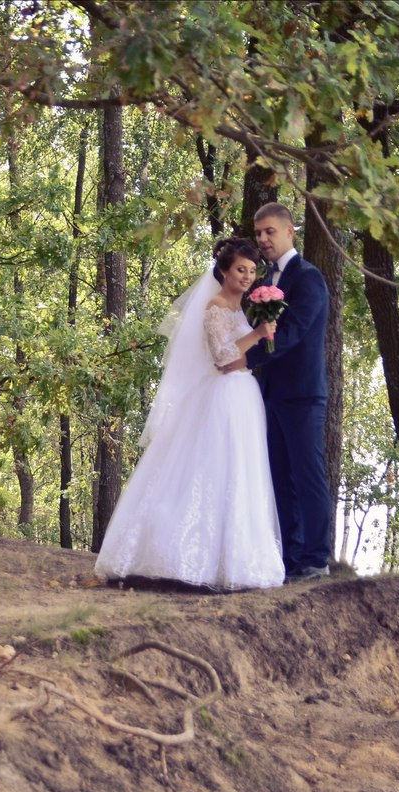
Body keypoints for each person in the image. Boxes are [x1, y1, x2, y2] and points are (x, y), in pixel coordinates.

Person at [94, 237, 284, 591]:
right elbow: (224, 358)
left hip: (242, 396)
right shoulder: (214, 305)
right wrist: (257, 336)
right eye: (240, 269)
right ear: (224, 271)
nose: (246, 276)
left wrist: (255, 339)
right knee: (206, 470)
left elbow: (238, 357)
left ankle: (232, 559)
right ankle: (177, 557)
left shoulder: (240, 307)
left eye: (251, 270)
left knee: (239, 474)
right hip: (220, 398)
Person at [222, 202, 332, 582]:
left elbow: (294, 332)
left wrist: (246, 360)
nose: (263, 239)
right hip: (269, 395)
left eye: (270, 231)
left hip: (302, 393)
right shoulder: (265, 280)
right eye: (259, 234)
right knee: (279, 477)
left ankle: (316, 558)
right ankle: (290, 557)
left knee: (307, 475)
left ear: (290, 232)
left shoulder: (308, 278)